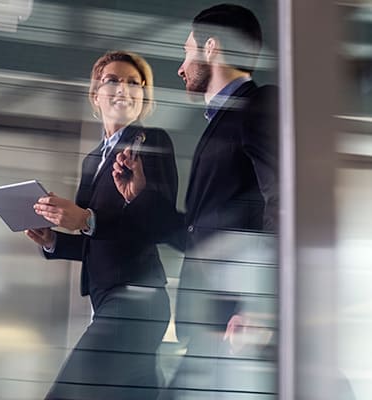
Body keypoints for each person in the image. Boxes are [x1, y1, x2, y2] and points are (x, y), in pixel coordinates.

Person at [113, 4, 278, 397]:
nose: (181, 67)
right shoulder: (225, 121)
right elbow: (200, 234)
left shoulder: (258, 106)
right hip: (216, 319)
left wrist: (261, 305)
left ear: (210, 48)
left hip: (238, 320)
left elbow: (285, 202)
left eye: (187, 52)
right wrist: (142, 197)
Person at [25, 50, 178, 400]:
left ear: (144, 98)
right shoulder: (94, 160)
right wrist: (53, 241)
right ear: (96, 95)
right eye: (113, 80)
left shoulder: (151, 143)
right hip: (105, 298)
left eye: (133, 83)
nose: (124, 88)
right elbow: (98, 240)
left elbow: (156, 223)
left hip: (137, 298)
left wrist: (85, 219)